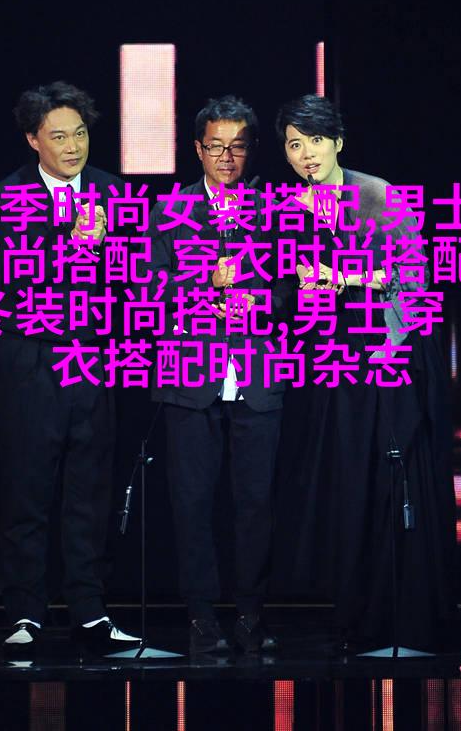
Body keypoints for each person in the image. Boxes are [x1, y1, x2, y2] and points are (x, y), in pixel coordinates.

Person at [273, 94, 456, 652]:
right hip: (332, 360)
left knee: (392, 480)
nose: (307, 154)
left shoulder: (378, 195)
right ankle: (354, 617)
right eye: (295, 144)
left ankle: (404, 618)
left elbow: (415, 280)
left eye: (316, 141)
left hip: (389, 352)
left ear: (339, 142)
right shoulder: (287, 208)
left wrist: (345, 278)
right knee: (348, 485)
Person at [0, 81, 139, 658]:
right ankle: (24, 612)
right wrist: (74, 245)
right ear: (33, 140)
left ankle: (90, 611)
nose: (72, 146)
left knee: (90, 492)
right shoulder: (6, 196)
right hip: (31, 361)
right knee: (27, 491)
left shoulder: (111, 190)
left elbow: (132, 277)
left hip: (92, 359)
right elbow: (13, 283)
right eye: (58, 136)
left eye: (79, 133)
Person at [148, 95, 286, 654]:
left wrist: (259, 302)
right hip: (189, 377)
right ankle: (201, 618)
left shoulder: (277, 210)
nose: (227, 157)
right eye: (216, 147)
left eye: (238, 146)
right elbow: (150, 291)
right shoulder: (169, 211)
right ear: (198, 149)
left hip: (257, 375)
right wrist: (205, 286)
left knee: (256, 503)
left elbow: (296, 287)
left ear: (252, 150)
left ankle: (252, 614)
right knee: (192, 502)